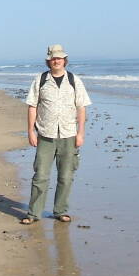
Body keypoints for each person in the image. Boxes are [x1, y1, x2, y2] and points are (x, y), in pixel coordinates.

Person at [21, 44, 91, 224]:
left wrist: (81, 133)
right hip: (45, 135)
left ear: (64, 60)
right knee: (40, 176)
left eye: (59, 58)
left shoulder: (74, 80)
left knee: (66, 177)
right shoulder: (40, 80)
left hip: (69, 135)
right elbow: (32, 106)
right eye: (53, 58)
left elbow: (81, 108)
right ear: (48, 61)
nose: (56, 60)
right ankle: (34, 213)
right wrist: (30, 131)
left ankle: (60, 210)